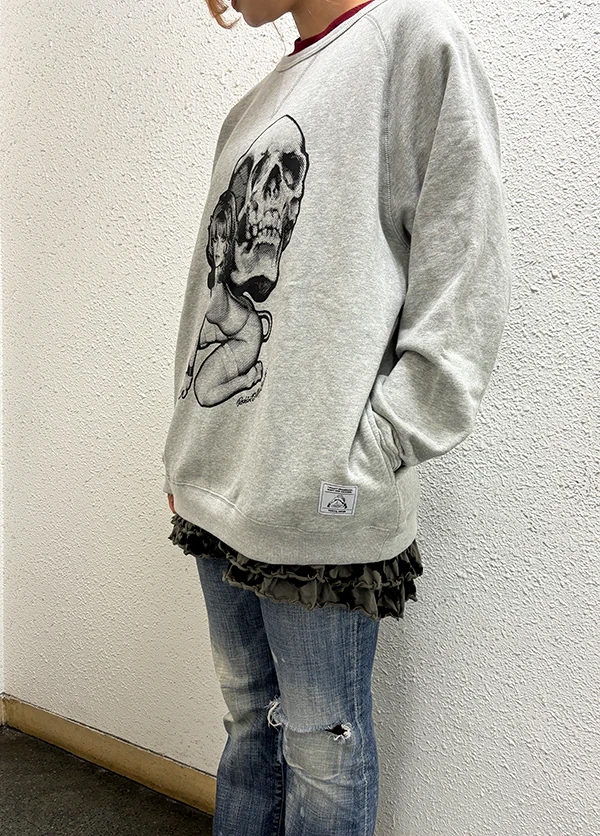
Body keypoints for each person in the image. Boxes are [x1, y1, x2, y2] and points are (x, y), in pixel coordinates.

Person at [162, 0, 511, 834]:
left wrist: (369, 451)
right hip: (216, 486)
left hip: (323, 501)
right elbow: (204, 303)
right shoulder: (249, 109)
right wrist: (185, 450)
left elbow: (464, 273)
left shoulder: (415, 42)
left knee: (323, 755)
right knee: (248, 727)